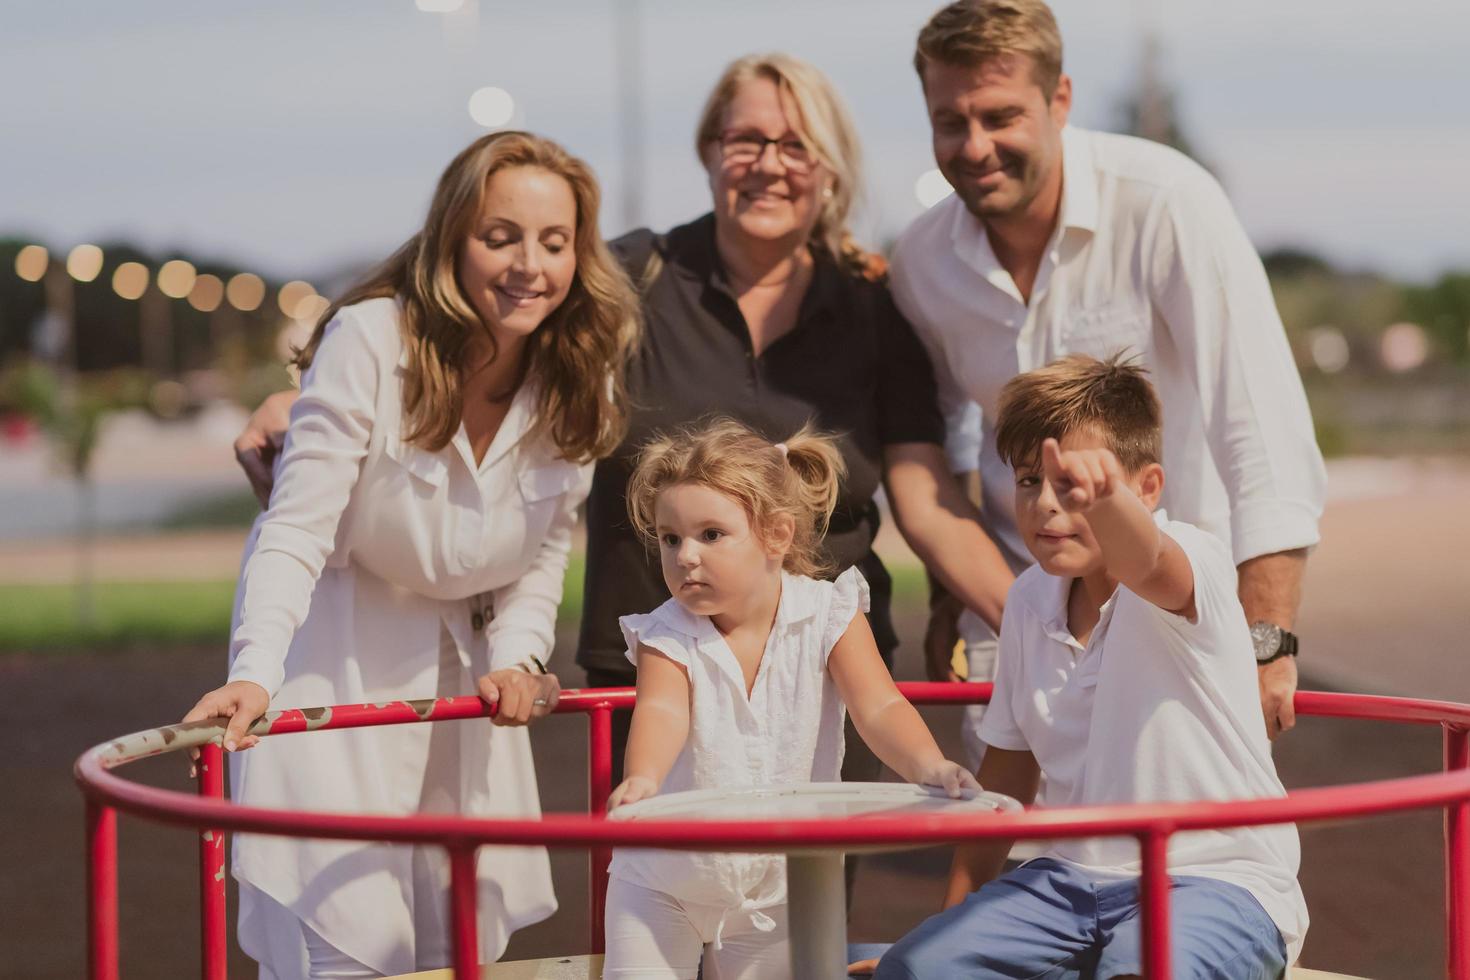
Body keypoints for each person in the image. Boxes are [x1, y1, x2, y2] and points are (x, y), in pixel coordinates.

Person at [234, 53, 1017, 792]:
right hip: (651, 674)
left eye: (797, 144)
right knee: (651, 916)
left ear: (832, 165)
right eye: (746, 139)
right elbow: (485, 314)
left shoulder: (872, 306)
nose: (770, 162)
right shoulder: (630, 284)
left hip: (822, 675)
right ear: (709, 151)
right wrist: (301, 402)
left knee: (801, 931)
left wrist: (1033, 620)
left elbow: (925, 500)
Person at [183, 131, 640, 979]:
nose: (528, 264)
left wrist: (518, 659)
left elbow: (541, 559)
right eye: (499, 235)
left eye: (554, 241)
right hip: (333, 670)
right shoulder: (372, 341)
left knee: (452, 948)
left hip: (461, 696)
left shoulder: (579, 374)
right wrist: (254, 673)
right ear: (450, 240)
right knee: (342, 942)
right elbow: (295, 528)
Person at [890, 0, 1327, 744]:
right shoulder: (922, 260)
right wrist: (957, 604)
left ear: (1060, 100)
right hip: (1016, 619)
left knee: (1183, 855)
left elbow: (1262, 431)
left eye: (1001, 116)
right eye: (949, 121)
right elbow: (950, 451)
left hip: (1176, 614)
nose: (974, 146)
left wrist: (1265, 642)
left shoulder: (1167, 203)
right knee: (1016, 849)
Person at [874, 354, 1308, 979]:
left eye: (1072, 484)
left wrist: (1106, 502)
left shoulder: (1194, 559)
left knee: (1144, 970)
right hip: (1068, 880)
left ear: (1148, 488)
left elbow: (1148, 559)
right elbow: (1008, 777)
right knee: (918, 968)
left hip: (1212, 876)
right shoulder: (1029, 598)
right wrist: (950, 926)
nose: (1047, 504)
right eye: (1029, 481)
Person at [603, 419, 977, 980]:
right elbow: (662, 711)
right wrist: (643, 779)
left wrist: (932, 766)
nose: (685, 556)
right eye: (669, 537)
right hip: (662, 881)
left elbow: (880, 707)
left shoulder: (828, 613)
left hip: (776, 887)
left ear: (777, 535)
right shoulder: (666, 631)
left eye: (711, 535)